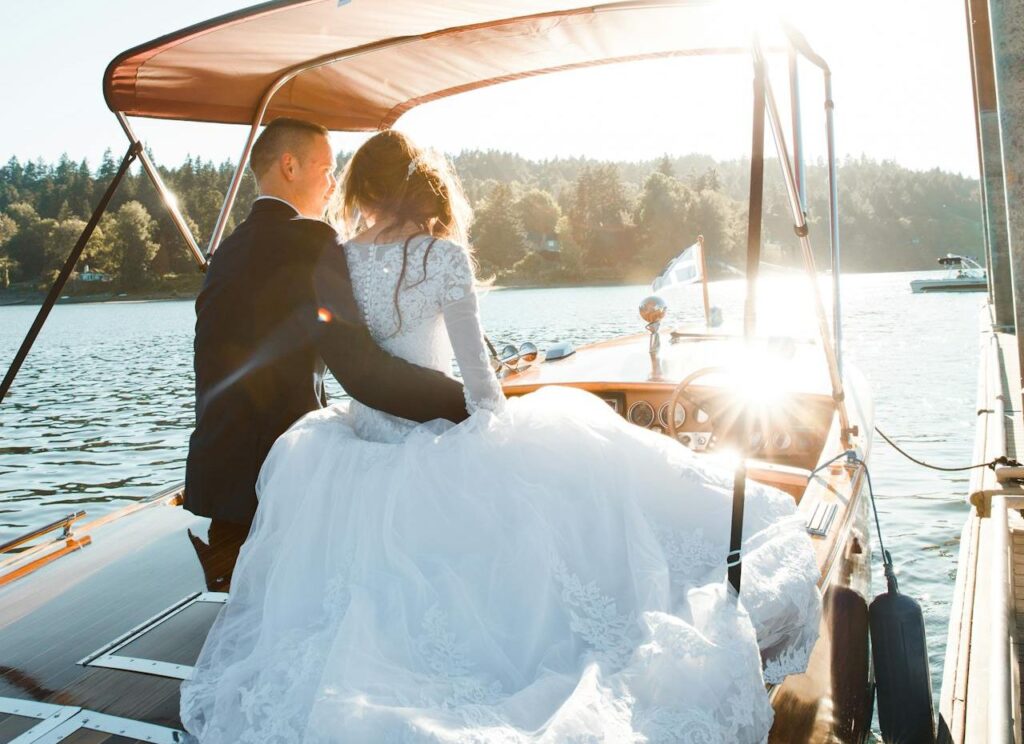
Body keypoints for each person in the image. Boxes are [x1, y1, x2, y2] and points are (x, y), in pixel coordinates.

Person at [180, 130, 822, 743]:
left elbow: (351, 365)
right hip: (434, 426)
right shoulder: (443, 255)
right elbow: (479, 378)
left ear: (362, 191)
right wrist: (488, 418)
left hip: (358, 444)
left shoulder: (337, 257)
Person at [184, 118, 468, 531]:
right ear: (289, 166)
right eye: (327, 170)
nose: (335, 185)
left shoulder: (228, 250)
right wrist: (466, 404)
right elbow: (362, 372)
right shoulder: (311, 241)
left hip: (215, 479)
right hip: (278, 479)